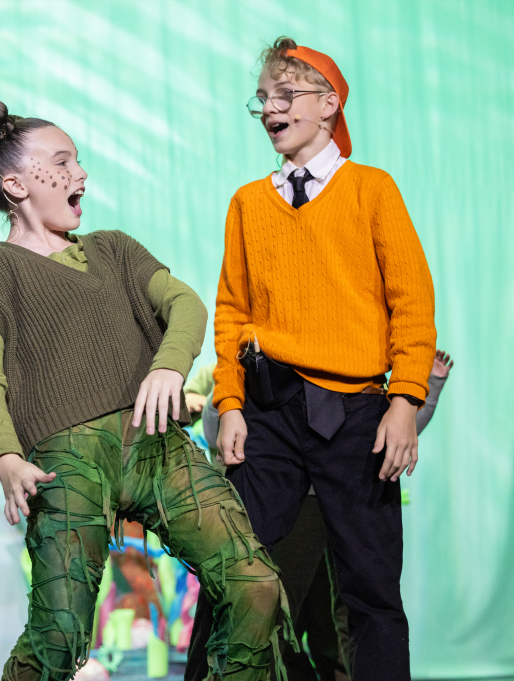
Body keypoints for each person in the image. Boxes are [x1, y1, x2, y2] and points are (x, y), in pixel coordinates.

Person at [0, 101, 291, 681]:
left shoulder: (113, 248)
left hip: (157, 445)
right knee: (58, 636)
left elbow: (185, 304)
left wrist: (168, 367)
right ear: (16, 185)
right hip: (65, 463)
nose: (80, 173)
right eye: (62, 162)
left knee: (256, 585)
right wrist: (4, 456)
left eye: (77, 160)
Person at [207, 38, 436, 681]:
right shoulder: (248, 202)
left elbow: (412, 303)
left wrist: (404, 402)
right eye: (263, 98)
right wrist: (230, 404)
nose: (270, 109)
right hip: (269, 409)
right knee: (234, 577)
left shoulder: (371, 189)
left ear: (329, 104)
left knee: (371, 589)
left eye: (286, 95)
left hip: (356, 413)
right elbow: (231, 311)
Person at [188, 350, 452, 680]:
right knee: (274, 607)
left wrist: (430, 386)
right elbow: (217, 430)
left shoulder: (360, 378)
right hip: (290, 503)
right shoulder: (252, 373)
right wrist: (229, 389)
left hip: (339, 499)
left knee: (343, 611)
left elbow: (390, 436)